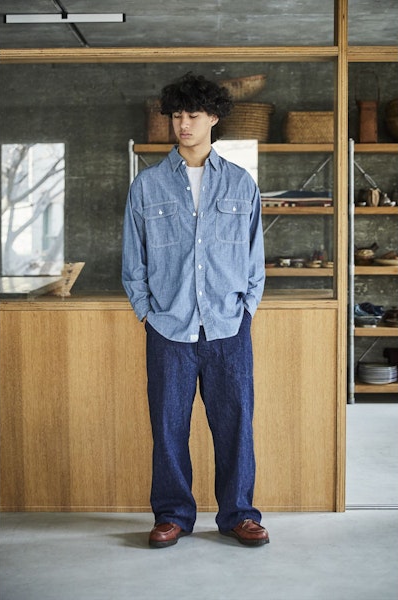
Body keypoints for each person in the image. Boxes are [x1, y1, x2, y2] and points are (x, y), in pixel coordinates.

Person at [122, 72, 269, 548]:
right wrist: (147, 311)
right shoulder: (147, 186)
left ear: (214, 118)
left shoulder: (241, 183)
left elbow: (254, 258)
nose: (183, 124)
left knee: (235, 425)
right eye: (177, 115)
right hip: (169, 327)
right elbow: (134, 260)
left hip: (228, 327)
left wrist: (246, 309)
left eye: (193, 115)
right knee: (168, 427)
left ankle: (239, 515)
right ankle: (173, 515)